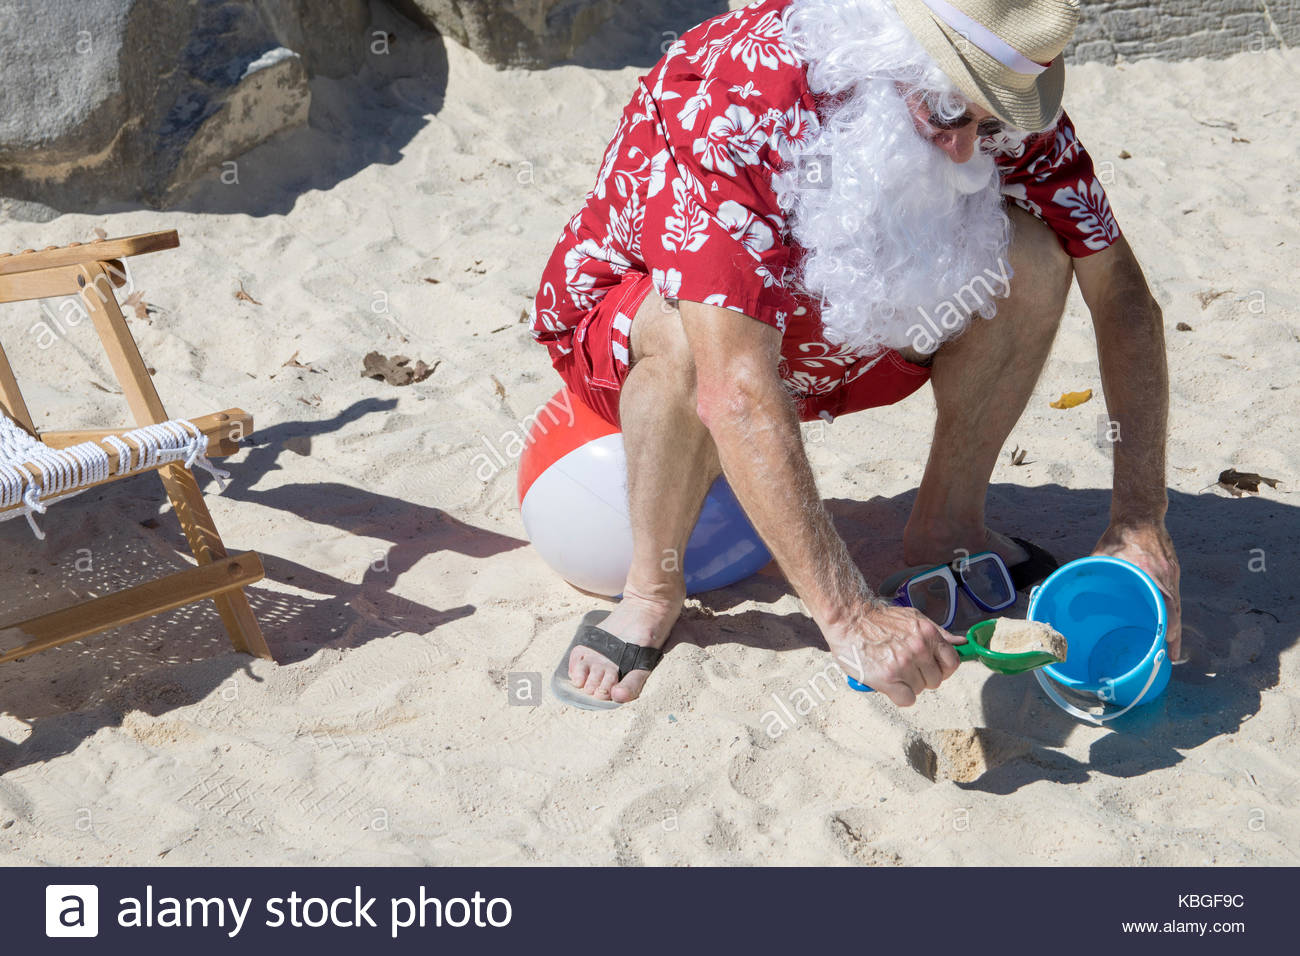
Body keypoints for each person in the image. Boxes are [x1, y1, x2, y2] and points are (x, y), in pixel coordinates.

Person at [528, 0, 1181, 708]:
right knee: (689, 339)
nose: (966, 148)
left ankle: (949, 527)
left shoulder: (996, 105)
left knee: (1035, 257)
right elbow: (734, 385)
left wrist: (1140, 521)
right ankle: (648, 596)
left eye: (988, 123)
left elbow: (1122, 298)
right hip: (637, 322)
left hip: (829, 346)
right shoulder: (740, 94)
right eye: (946, 115)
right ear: (885, 54)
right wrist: (850, 617)